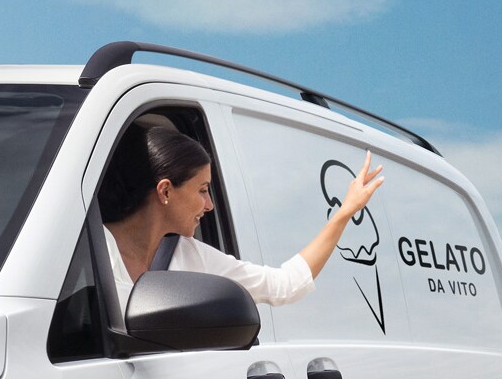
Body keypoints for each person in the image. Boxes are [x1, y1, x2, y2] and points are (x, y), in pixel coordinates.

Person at [97, 113, 383, 309]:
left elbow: (284, 285)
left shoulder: (191, 256)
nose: (209, 205)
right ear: (165, 191)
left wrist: (345, 212)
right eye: (202, 190)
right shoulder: (91, 248)